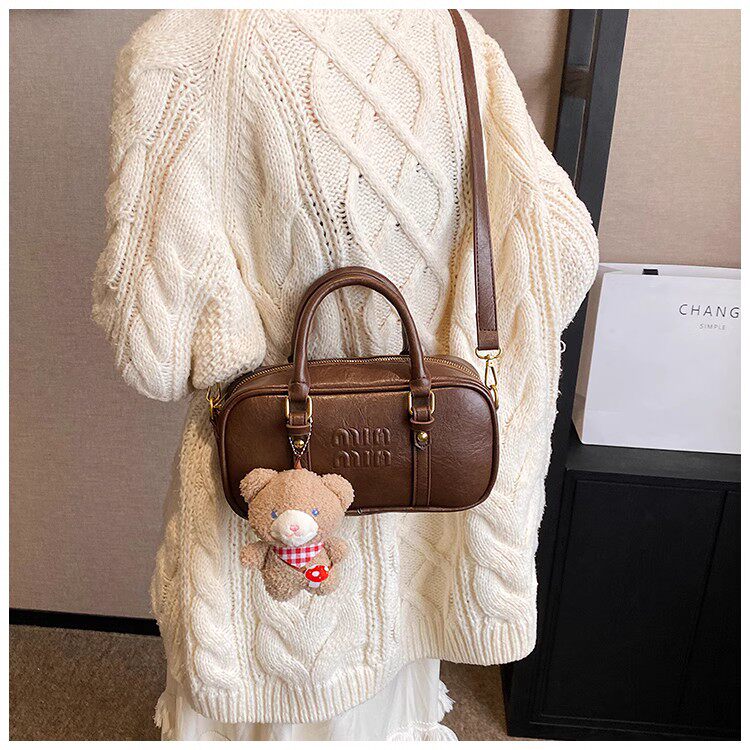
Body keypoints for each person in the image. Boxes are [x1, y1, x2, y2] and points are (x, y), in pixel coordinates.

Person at [93, 9, 597, 741]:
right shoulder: (453, 32)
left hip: (272, 509)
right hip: (420, 500)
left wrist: (250, 334)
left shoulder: (180, 51)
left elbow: (153, 351)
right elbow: (564, 251)